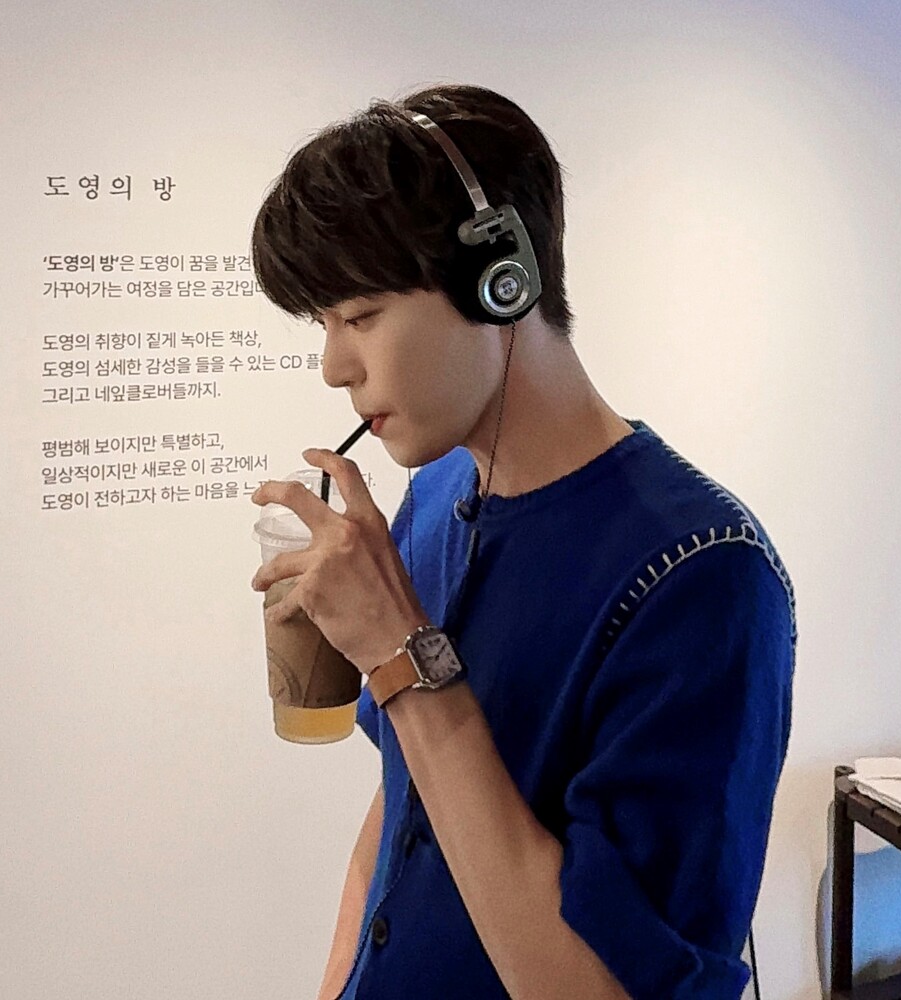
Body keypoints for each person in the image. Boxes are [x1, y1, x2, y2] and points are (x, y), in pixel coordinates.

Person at [248, 83, 797, 1000]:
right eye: (324, 324)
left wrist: (400, 653)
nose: (335, 366)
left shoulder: (702, 575)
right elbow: (408, 804)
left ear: (501, 279)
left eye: (361, 316)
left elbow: (606, 987)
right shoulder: (437, 493)